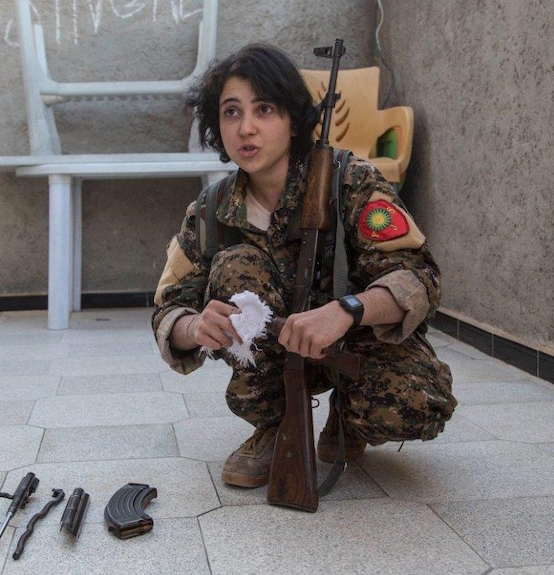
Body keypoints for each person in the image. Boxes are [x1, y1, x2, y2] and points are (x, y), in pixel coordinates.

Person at [151, 43, 457, 488]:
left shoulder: (350, 182)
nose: (247, 128)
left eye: (265, 109)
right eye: (231, 112)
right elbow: (168, 306)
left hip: (354, 347)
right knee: (236, 267)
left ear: (293, 118)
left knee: (414, 401)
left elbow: (418, 277)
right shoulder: (210, 210)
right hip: (269, 363)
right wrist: (195, 326)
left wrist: (346, 310)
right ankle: (273, 425)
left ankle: (349, 419)